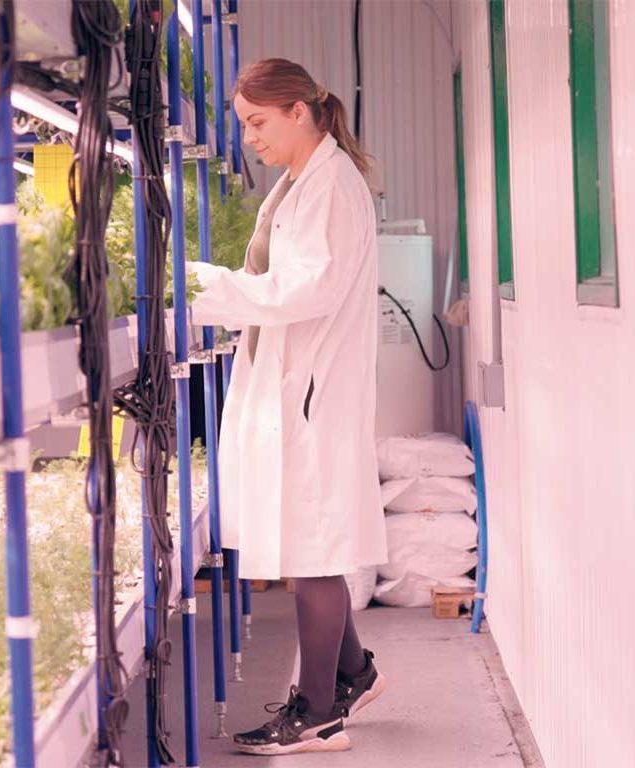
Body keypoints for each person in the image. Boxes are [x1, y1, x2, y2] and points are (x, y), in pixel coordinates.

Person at [186, 58, 388, 756]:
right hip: (296, 386)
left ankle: (319, 712)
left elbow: (302, 291)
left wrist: (207, 288)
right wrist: (217, 285)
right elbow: (279, 280)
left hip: (312, 394)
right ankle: (355, 674)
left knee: (312, 554)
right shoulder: (302, 181)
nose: (249, 138)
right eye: (244, 124)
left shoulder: (329, 187)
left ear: (299, 111)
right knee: (310, 544)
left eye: (257, 122)